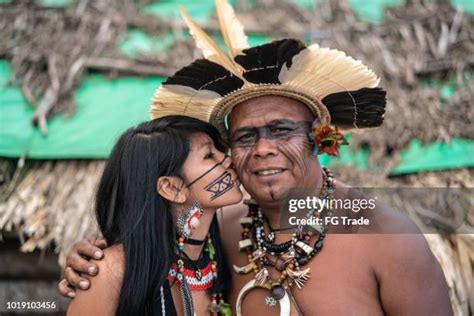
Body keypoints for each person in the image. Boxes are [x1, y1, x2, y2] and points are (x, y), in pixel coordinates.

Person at [59, 1, 453, 315]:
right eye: (246, 137)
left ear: (320, 137)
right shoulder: (221, 230)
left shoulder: (387, 237)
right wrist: (91, 262)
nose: (263, 149)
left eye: (281, 130)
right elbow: (139, 248)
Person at [65, 115, 243, 315]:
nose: (228, 160)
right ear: (172, 188)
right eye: (209, 155)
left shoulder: (220, 255)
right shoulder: (109, 271)